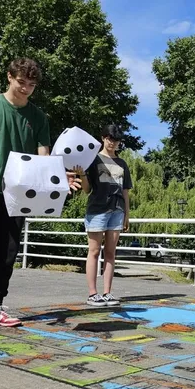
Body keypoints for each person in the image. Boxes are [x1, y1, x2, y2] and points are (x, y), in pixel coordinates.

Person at [0, 58, 81, 329]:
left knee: (8, 251)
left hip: (20, 193)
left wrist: (57, 176)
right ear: (9, 77)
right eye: (21, 82)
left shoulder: (38, 117)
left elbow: (44, 156)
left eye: (31, 85)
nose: (26, 88)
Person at [75, 125, 132, 307]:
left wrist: (127, 215)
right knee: (94, 251)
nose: (112, 142)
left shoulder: (122, 164)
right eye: (109, 138)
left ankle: (107, 292)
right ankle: (93, 293)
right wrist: (82, 175)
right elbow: (87, 189)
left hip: (117, 210)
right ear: (103, 138)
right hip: (98, 209)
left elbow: (125, 192)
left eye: (116, 140)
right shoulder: (93, 159)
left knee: (110, 253)